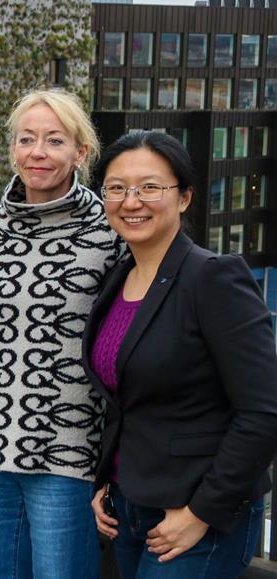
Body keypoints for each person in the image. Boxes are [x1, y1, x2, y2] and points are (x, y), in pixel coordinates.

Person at [0, 88, 123, 579]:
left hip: (70, 452)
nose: (38, 152)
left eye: (54, 140)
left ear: (80, 152)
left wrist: (114, 461)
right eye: (26, 139)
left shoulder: (108, 229)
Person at [85, 131, 277, 579]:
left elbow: (264, 410)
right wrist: (106, 479)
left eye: (150, 187)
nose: (131, 201)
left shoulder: (214, 279)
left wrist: (201, 511)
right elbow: (126, 399)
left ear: (185, 197)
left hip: (196, 513)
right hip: (129, 505)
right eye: (117, 188)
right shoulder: (117, 280)